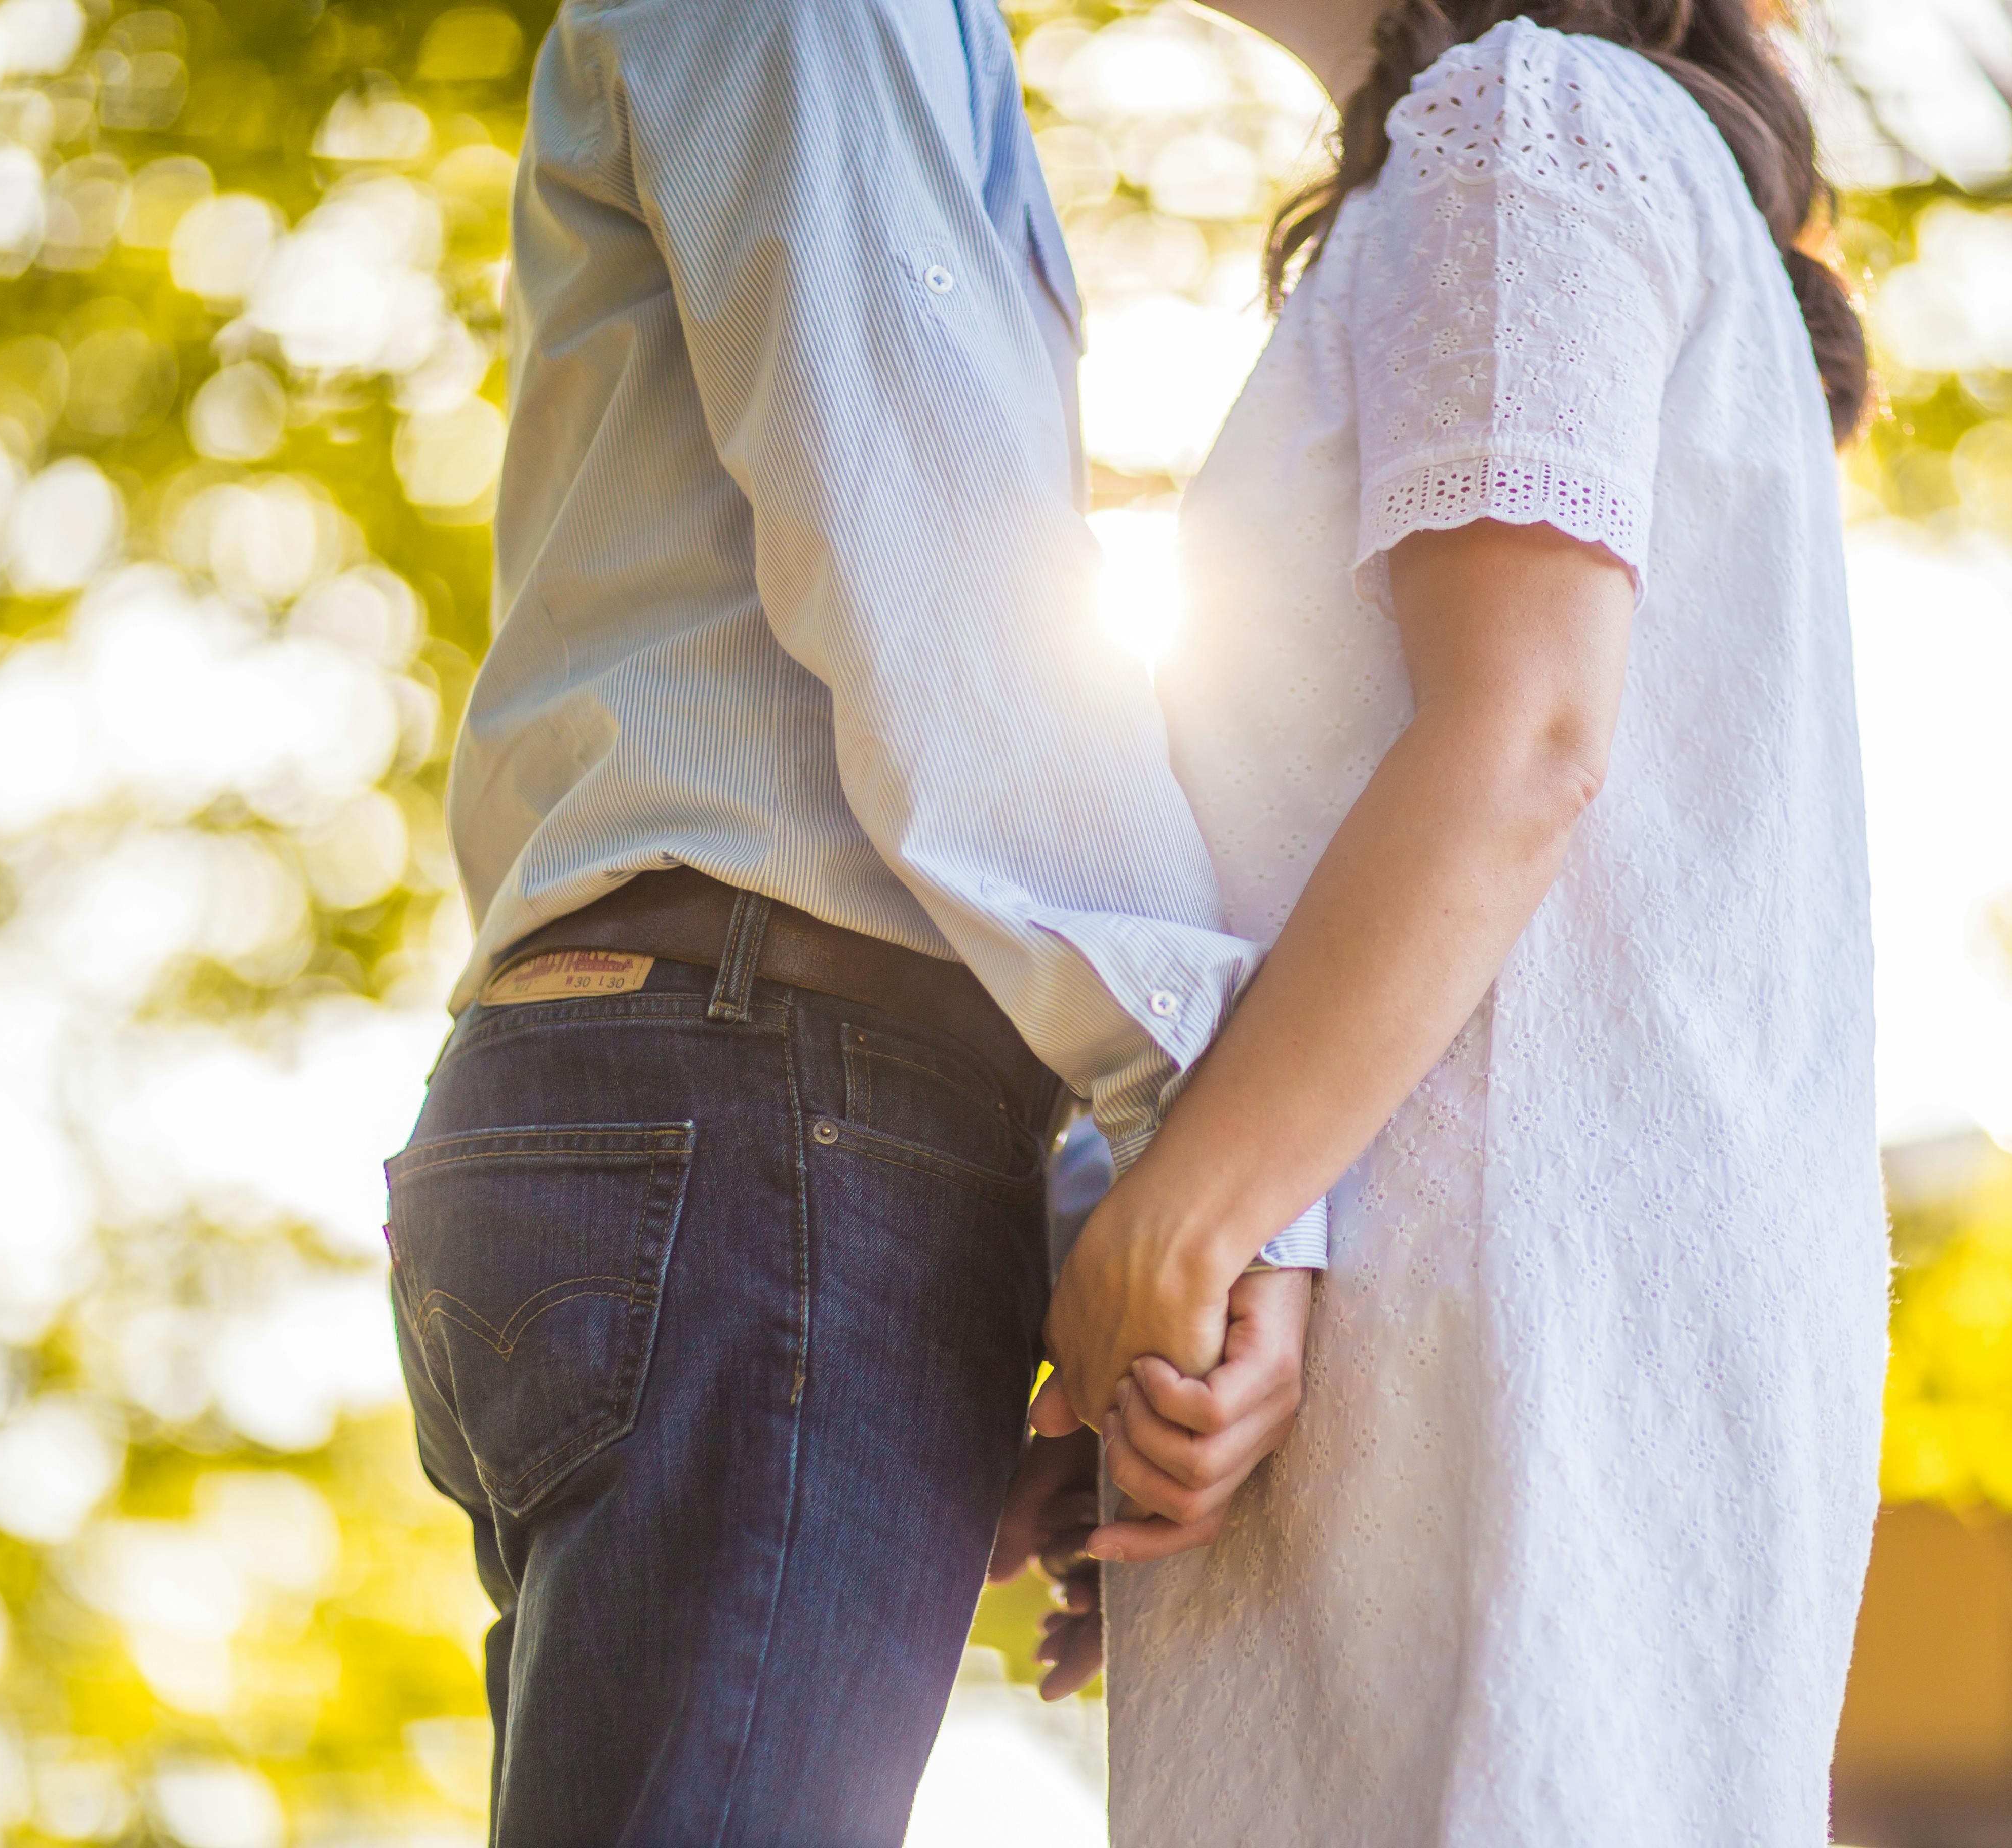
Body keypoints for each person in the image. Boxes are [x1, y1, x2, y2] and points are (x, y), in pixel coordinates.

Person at [377, 3, 1321, 1840]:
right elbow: (930, 554)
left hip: (713, 1101)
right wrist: (1210, 1160)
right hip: (763, 1109)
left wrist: (1064, 1235)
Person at [1033, 1, 1894, 1840]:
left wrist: (1187, 1224)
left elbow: (1522, 744)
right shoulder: (1533, 151)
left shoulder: (1529, 121)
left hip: (1510, 1359)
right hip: (1460, 1353)